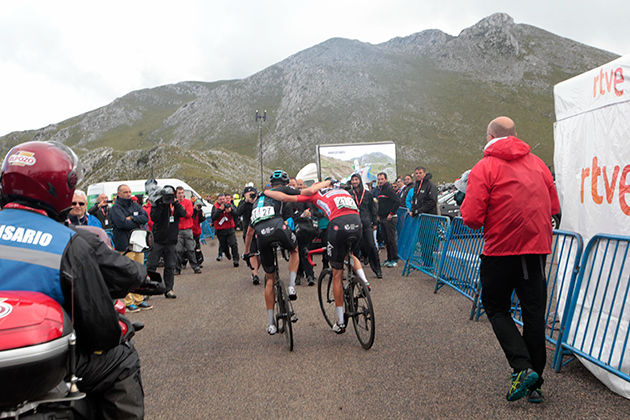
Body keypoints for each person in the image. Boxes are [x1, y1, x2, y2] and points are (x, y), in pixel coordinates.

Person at [0, 141, 147, 419]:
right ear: (59, 186)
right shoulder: (69, 243)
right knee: (121, 358)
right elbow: (100, 331)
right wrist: (121, 329)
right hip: (37, 369)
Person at [460, 116, 560, 403]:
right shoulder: (538, 164)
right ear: (516, 134)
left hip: (501, 251)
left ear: (490, 136)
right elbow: (554, 206)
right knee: (533, 315)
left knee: (495, 306)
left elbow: (471, 218)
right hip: (535, 251)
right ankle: (535, 385)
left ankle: (522, 366)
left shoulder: (485, 166)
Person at [262, 178, 372, 334]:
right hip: (356, 223)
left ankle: (341, 322)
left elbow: (286, 198)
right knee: (350, 255)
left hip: (337, 226)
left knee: (337, 274)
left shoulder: (313, 195)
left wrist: (267, 192)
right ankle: (365, 282)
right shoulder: (343, 191)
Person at [243, 170, 305, 335]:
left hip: (261, 236)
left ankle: (271, 323)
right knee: (295, 250)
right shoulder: (282, 191)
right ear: (284, 184)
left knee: (269, 278)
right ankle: (291, 285)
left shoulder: (257, 201)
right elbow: (291, 213)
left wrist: (246, 252)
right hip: (278, 229)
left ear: (271, 184)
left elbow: (249, 233)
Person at [110, 183, 152, 313]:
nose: (128, 194)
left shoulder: (134, 205)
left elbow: (145, 217)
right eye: (125, 192)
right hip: (124, 244)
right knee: (127, 273)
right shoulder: (115, 208)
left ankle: (139, 299)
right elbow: (122, 223)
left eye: (129, 192)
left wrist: (133, 218)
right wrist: (135, 222)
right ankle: (128, 302)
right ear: (119, 194)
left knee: (139, 272)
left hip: (138, 244)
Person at [146, 185, 185, 299]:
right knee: (152, 265)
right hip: (158, 240)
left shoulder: (175, 206)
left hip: (171, 241)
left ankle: (169, 289)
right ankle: (149, 289)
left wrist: (175, 203)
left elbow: (183, 214)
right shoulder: (157, 204)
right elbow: (154, 218)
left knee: (170, 266)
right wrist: (160, 205)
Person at [349, 173, 382, 278]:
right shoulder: (349, 194)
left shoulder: (368, 194)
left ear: (359, 180)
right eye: (353, 180)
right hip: (354, 224)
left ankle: (377, 270)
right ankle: (354, 272)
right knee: (354, 249)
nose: (354, 182)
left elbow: (372, 209)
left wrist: (375, 222)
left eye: (356, 180)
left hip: (366, 223)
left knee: (371, 246)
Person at [236, 186, 261, 285]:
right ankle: (255, 274)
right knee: (252, 253)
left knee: (261, 254)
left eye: (252, 192)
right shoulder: (243, 203)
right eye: (248, 193)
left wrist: (254, 201)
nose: (250, 194)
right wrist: (247, 202)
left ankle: (257, 269)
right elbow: (238, 213)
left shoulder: (259, 201)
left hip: (259, 230)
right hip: (248, 232)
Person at [375, 172, 400, 267]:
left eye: (381, 179)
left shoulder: (389, 190)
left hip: (390, 218)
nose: (380, 181)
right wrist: (378, 215)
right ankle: (389, 259)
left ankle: (394, 259)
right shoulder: (380, 190)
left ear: (386, 179)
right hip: (382, 218)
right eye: (379, 179)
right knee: (386, 240)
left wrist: (391, 213)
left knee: (391, 239)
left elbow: (397, 202)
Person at [175, 186, 202, 274]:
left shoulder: (188, 202)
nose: (181, 195)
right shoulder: (174, 204)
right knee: (178, 250)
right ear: (176, 194)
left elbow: (189, 214)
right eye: (179, 193)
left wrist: (181, 211)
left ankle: (195, 267)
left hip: (188, 229)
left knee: (190, 249)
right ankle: (177, 268)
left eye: (182, 193)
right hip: (178, 230)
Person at [211, 193, 239, 267]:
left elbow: (236, 213)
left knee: (233, 244)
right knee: (224, 246)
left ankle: (236, 260)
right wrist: (220, 210)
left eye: (223, 199)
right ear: (218, 200)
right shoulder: (215, 207)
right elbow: (213, 217)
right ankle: (227, 253)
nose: (222, 201)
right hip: (220, 230)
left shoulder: (229, 204)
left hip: (230, 228)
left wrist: (230, 210)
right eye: (220, 199)